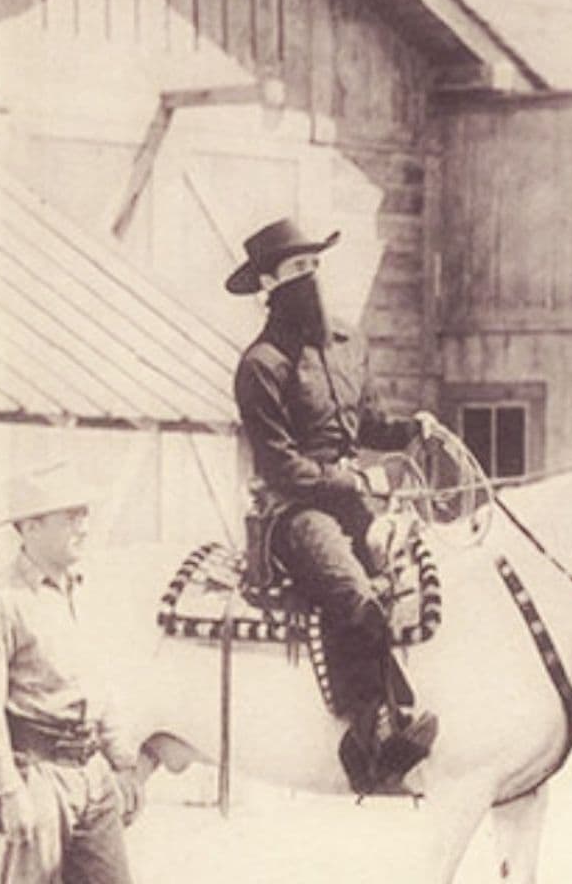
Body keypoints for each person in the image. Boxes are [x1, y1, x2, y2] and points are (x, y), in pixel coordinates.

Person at [227, 218, 441, 795]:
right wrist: (350, 480)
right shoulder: (261, 364)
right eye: (297, 270)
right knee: (357, 592)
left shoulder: (348, 343)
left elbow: (366, 421)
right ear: (268, 282)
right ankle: (367, 743)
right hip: (294, 511)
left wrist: (408, 431)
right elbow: (280, 466)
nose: (310, 279)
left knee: (417, 569)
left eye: (314, 266)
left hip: (352, 497)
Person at [0, 463, 144, 884]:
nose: (83, 526)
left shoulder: (85, 591)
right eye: (70, 516)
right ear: (30, 527)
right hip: (36, 777)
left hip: (93, 774)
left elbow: (101, 685)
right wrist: (9, 791)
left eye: (84, 514)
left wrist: (123, 763)